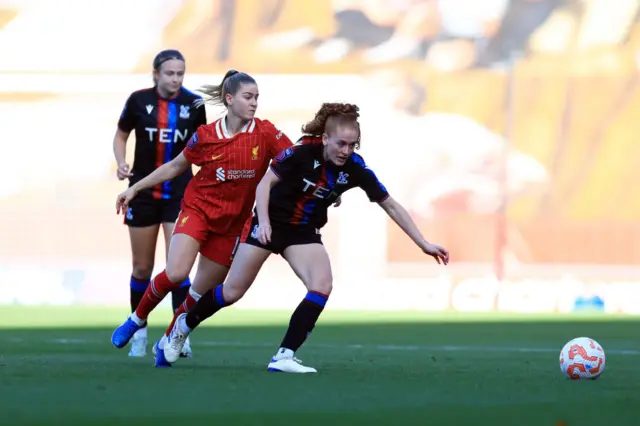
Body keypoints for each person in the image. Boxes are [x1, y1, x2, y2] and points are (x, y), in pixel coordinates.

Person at [160, 102, 450, 372]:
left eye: (352, 145)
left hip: (302, 232)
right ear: (325, 138)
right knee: (232, 292)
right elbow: (264, 184)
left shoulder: (356, 169)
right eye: (340, 143)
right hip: (268, 223)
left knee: (322, 285)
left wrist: (423, 243)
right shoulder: (300, 154)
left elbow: (391, 205)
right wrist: (262, 222)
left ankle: (284, 355)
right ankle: (183, 326)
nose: (345, 151)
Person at [110, 69, 325, 367]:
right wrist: (135, 188)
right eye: (248, 97)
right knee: (175, 273)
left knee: (198, 294)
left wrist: (323, 184)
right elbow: (175, 167)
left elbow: (296, 160)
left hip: (232, 225)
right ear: (229, 99)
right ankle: (137, 318)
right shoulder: (206, 136)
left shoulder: (265, 133)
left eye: (257, 98)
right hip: (197, 212)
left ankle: (171, 338)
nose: (254, 104)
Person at [113, 49, 206, 357]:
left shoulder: (194, 104)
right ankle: (138, 330)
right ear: (156, 74)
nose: (176, 78)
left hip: (180, 195)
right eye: (170, 73)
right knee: (142, 267)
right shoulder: (138, 101)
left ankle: (180, 333)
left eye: (180, 73)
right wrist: (120, 161)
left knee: (177, 267)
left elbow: (202, 148)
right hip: (143, 192)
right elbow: (121, 134)